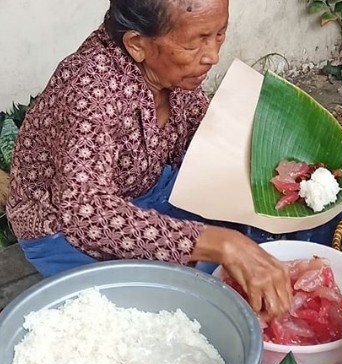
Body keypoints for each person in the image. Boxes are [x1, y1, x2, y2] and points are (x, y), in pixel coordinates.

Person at [6, 0, 292, 319]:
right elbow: (86, 214)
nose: (212, 55)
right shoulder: (90, 87)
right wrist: (222, 243)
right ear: (137, 45)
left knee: (257, 230)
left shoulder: (172, 68)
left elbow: (200, 128)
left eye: (219, 34)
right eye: (195, 42)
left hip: (151, 186)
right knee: (185, 301)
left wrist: (265, 157)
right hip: (66, 224)